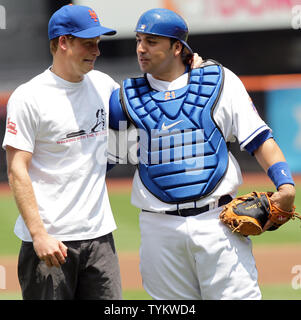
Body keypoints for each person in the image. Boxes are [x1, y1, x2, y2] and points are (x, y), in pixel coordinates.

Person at [109, 8, 296, 300]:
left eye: (152, 41)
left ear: (177, 47)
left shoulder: (219, 82)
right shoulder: (124, 98)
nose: (141, 48)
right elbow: (103, 157)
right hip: (159, 228)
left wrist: (285, 185)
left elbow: (260, 139)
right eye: (138, 39)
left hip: (217, 222)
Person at [2, 4, 122, 300]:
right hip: (50, 242)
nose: (96, 50)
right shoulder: (30, 97)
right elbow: (17, 169)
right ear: (63, 42)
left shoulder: (105, 85)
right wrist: (39, 235)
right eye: (88, 43)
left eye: (97, 43)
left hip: (100, 238)